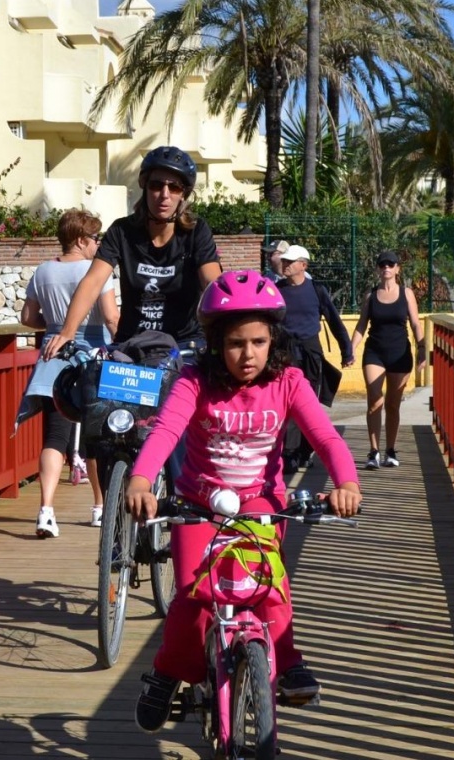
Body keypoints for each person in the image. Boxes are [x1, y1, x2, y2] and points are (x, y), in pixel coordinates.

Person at [123, 270, 362, 732]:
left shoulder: (289, 381)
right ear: (216, 344)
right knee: (194, 598)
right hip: (198, 504)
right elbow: (166, 430)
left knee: (269, 586)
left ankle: (287, 661)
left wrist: (346, 483)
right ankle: (167, 673)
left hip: (260, 502)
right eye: (235, 343)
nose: (248, 354)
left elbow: (326, 437)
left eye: (258, 341)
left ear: (273, 340)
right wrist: (140, 480)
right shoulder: (194, 381)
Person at [41, 146, 223, 361]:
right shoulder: (121, 231)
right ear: (145, 187)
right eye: (156, 185)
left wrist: (224, 333)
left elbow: (212, 282)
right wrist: (67, 332)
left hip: (184, 347)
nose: (164, 195)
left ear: (183, 194)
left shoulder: (196, 231)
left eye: (174, 187)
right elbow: (93, 281)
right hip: (132, 346)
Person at [20, 210, 120, 536]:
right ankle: (100, 508)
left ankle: (45, 511)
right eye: (95, 238)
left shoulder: (43, 271)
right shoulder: (98, 270)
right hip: (92, 358)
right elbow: (111, 318)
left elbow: (27, 317)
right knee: (96, 437)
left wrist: (55, 327)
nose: (98, 244)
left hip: (54, 357)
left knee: (54, 437)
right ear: (80, 240)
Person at [274, 245, 353, 471]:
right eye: (284, 261)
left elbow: (335, 321)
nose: (285, 265)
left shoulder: (317, 290)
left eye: (290, 261)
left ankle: (305, 451)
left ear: (303, 265)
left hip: (311, 353)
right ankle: (289, 453)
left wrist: (347, 351)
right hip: (285, 353)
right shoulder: (276, 291)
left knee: (309, 404)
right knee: (288, 404)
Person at [349, 251, 426, 469]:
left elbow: (416, 323)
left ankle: (390, 450)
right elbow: (361, 325)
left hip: (400, 354)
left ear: (397, 269)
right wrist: (350, 349)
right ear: (378, 268)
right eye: (382, 264)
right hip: (374, 352)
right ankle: (373, 451)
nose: (386, 268)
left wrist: (422, 349)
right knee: (375, 400)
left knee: (392, 404)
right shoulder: (371, 295)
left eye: (391, 264)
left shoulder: (407, 294)